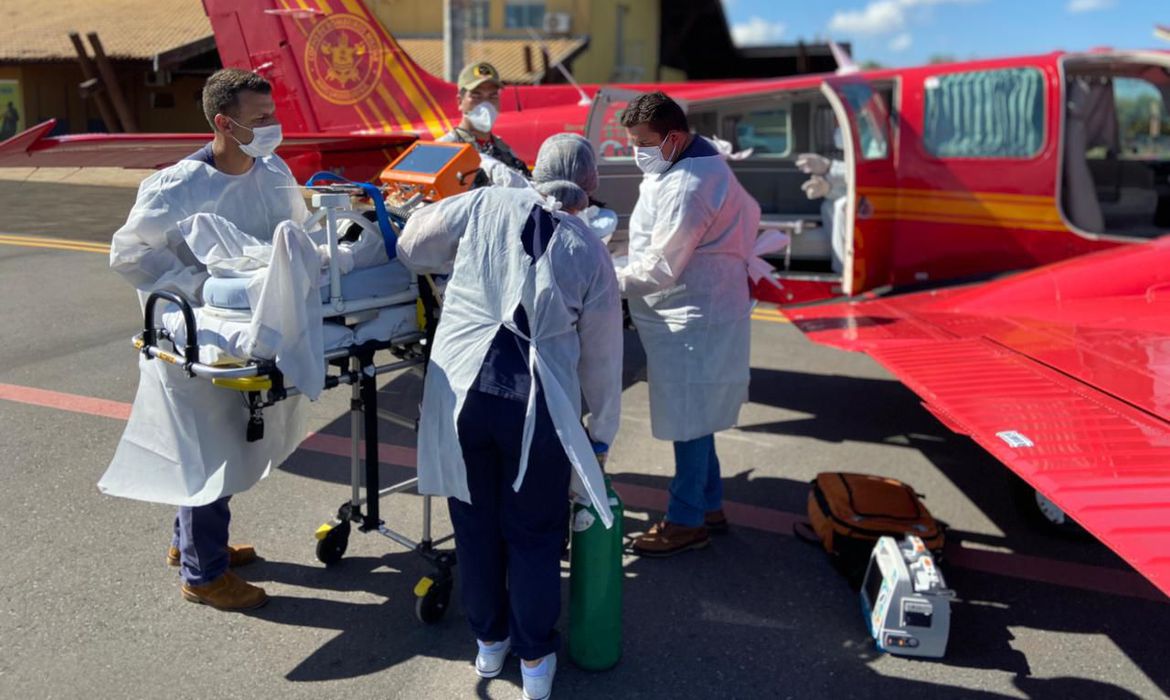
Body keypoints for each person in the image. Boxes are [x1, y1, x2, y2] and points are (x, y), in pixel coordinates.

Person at [397, 134, 623, 700]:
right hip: (537, 409)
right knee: (534, 535)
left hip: (463, 396)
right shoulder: (589, 249)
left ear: (536, 172)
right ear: (589, 187)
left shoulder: (483, 203)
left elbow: (412, 245)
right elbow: (601, 360)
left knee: (474, 526)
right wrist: (599, 438)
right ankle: (536, 659)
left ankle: (489, 642)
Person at [100, 68, 312, 610]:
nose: (273, 126)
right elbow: (129, 252)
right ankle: (204, 575)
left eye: (272, 114)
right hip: (197, 334)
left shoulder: (273, 170)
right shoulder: (179, 187)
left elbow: (295, 238)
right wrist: (200, 286)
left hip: (249, 331)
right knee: (209, 449)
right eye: (260, 118)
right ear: (224, 122)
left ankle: (189, 543)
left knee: (229, 440)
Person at [616, 91, 761, 558]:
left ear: (672, 137)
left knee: (690, 420)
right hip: (701, 309)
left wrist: (599, 276)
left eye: (642, 141)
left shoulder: (690, 183)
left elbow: (660, 268)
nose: (636, 150)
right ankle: (709, 504)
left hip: (692, 316)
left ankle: (685, 521)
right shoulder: (691, 163)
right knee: (700, 414)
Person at [438, 61, 531, 179]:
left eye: (493, 96)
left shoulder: (506, 152)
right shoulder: (445, 148)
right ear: (460, 102)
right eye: (476, 96)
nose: (486, 104)